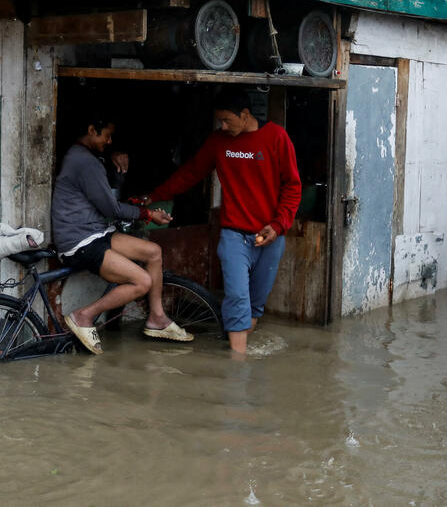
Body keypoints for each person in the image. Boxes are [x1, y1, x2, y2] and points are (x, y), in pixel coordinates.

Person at [141, 88, 301, 356]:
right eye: (219, 121)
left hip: (270, 236)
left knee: (255, 304)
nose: (222, 126)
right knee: (238, 298)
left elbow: (293, 187)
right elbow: (190, 173)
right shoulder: (218, 142)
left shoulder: (276, 137)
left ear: (246, 114)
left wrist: (278, 225)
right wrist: (153, 196)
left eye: (227, 120)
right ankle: (237, 368)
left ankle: (240, 368)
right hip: (233, 235)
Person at [51, 113, 194, 355]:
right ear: (92, 130)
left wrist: (117, 171)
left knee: (153, 252)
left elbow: (108, 198)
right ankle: (83, 316)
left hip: (96, 231)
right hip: (80, 241)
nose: (109, 141)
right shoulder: (83, 161)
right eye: (107, 135)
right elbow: (111, 208)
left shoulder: (87, 158)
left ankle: (157, 318)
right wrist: (147, 214)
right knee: (142, 281)